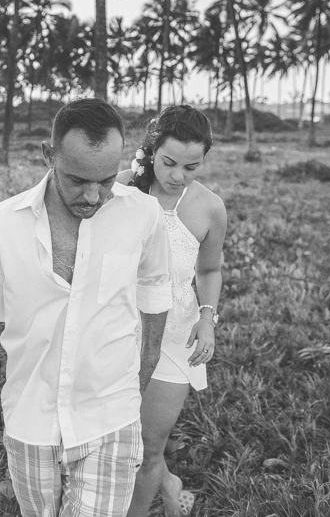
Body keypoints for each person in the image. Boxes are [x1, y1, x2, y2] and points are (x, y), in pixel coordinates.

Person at [0, 98, 175, 517]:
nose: (93, 196)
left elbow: (154, 292)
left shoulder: (142, 215)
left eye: (107, 181)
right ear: (48, 155)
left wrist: (139, 379)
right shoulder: (0, 226)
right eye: (77, 180)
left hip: (111, 417)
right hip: (29, 418)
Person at [120, 105, 227, 517]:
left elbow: (210, 268)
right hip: (119, 329)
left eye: (191, 166)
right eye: (168, 162)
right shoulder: (123, 189)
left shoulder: (209, 208)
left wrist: (207, 318)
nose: (177, 175)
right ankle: (170, 483)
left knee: (149, 446)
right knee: (117, 438)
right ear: (151, 150)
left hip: (175, 336)